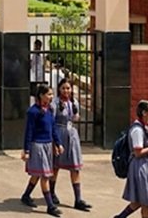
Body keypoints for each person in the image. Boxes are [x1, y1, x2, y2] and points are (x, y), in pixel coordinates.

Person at [21, 84, 63, 217]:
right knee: (45, 175)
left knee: (37, 174)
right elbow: (29, 131)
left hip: (48, 145)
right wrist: (26, 150)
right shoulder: (33, 112)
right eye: (49, 94)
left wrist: (58, 143)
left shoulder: (49, 109)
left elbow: (53, 128)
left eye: (52, 94)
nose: (51, 97)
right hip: (37, 145)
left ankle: (26, 195)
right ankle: (50, 206)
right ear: (41, 95)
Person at [50, 77, 91, 211]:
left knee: (75, 167)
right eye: (63, 88)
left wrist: (75, 117)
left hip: (71, 135)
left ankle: (78, 199)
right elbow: (51, 122)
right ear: (59, 89)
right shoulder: (55, 103)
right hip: (59, 134)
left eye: (68, 88)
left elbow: (75, 116)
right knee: (55, 166)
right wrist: (54, 142)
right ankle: (51, 193)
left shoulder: (74, 102)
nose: (66, 91)